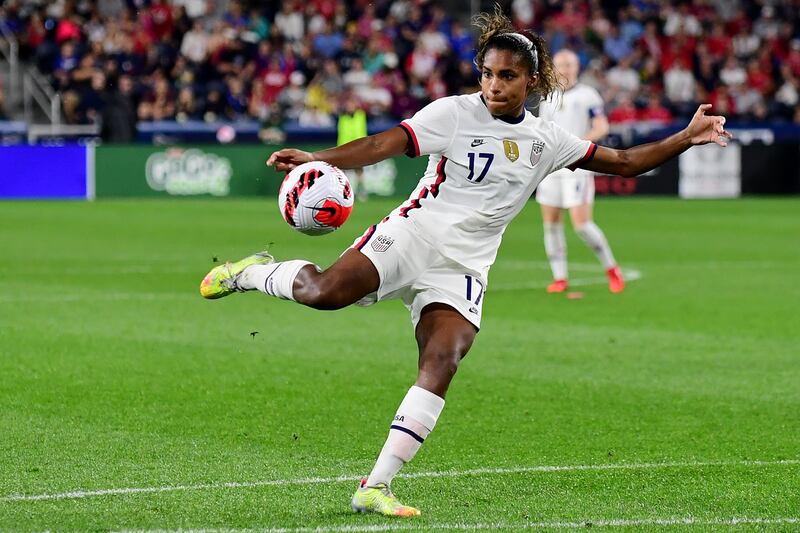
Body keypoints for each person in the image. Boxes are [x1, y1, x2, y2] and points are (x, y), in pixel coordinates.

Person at [199, 7, 730, 518]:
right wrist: (321, 158)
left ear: (533, 81)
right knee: (323, 294)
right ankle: (251, 272)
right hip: (413, 235)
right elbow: (385, 143)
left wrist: (685, 137)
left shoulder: (547, 140)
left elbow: (625, 162)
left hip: (465, 267)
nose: (494, 85)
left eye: (506, 76)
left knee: (443, 360)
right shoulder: (454, 113)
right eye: (487, 74)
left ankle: (376, 486)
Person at [535, 49, 624, 293]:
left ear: (577, 67)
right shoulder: (548, 97)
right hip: (552, 167)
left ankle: (612, 268)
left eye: (570, 64)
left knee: (582, 224)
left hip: (577, 166)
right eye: (561, 64)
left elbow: (601, 126)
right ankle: (560, 277)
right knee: (551, 223)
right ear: (554, 68)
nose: (565, 68)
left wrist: (578, 145)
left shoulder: (588, 95)